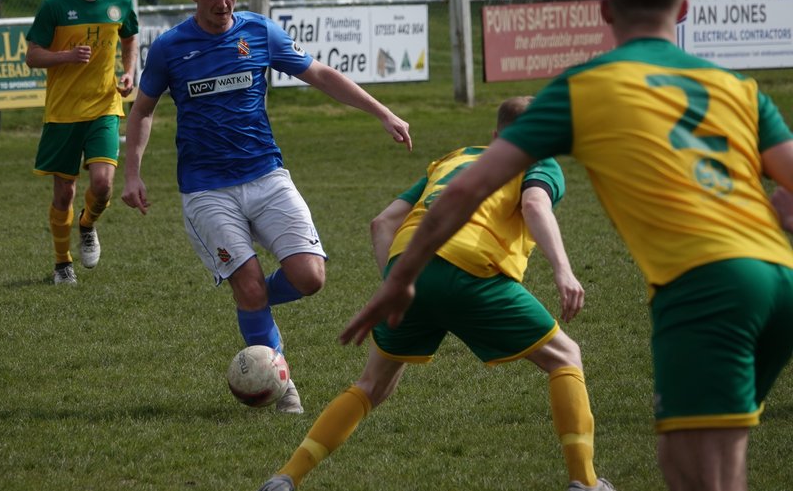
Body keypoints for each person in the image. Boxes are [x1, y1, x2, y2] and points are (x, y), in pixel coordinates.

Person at [342, 0, 793, 491]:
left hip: (706, 286)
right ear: (684, 8)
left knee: (702, 474)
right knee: (707, 459)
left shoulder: (584, 88)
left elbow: (468, 189)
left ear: (604, 10)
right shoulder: (739, 88)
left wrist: (400, 276)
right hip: (780, 282)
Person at [257, 97, 614, 491]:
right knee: (565, 356)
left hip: (408, 268)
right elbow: (533, 203)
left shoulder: (454, 157)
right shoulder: (538, 159)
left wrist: (396, 285)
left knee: (371, 386)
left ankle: (286, 477)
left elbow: (381, 223)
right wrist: (563, 270)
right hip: (470, 272)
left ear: (495, 135)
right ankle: (585, 481)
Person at [121, 0, 412, 414]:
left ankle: (251, 302)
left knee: (310, 277)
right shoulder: (172, 47)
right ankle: (282, 383)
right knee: (252, 286)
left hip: (266, 175)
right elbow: (143, 111)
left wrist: (382, 112)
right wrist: (131, 173)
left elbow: (319, 73)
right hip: (206, 189)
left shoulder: (258, 31)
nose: (222, 3)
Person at [24, 0, 138, 286]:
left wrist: (130, 71)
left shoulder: (119, 1)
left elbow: (130, 36)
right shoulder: (54, 7)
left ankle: (87, 224)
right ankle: (62, 264)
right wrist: (66, 56)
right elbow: (32, 56)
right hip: (63, 112)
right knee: (64, 192)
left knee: (103, 185)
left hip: (104, 106)